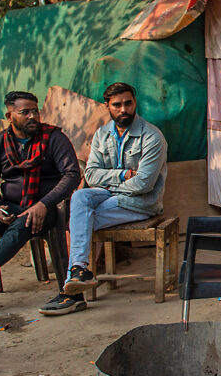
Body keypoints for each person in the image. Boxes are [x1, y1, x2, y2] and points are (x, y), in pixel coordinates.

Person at [0, 91, 81, 315]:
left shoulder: (54, 138)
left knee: (22, 225)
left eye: (35, 111)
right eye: (25, 112)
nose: (32, 116)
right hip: (10, 205)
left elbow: (71, 175)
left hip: (46, 208)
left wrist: (44, 203)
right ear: (10, 115)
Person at [50, 82, 168, 309]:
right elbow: (92, 175)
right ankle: (78, 273)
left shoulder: (152, 137)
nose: (123, 109)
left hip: (141, 204)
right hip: (109, 198)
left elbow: (143, 184)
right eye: (117, 105)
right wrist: (123, 175)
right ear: (108, 107)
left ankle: (72, 291)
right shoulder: (102, 135)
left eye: (128, 103)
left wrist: (110, 183)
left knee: (80, 220)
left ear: (135, 103)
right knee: (79, 199)